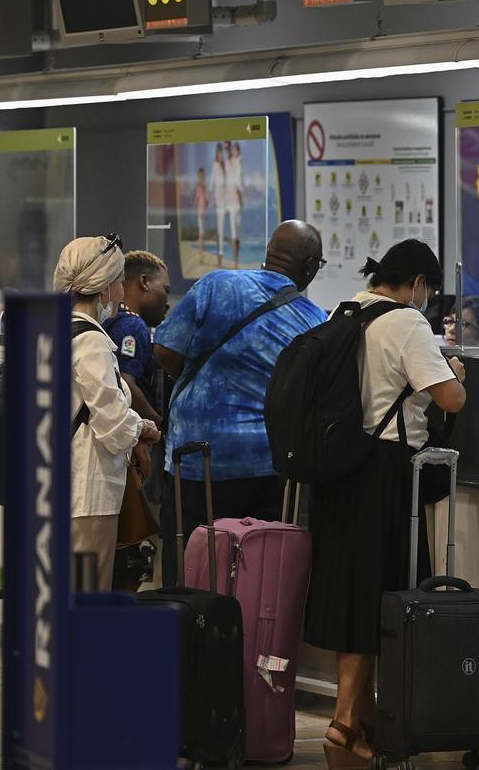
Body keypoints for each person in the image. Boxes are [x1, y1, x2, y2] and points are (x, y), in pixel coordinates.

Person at [304, 239, 467, 768]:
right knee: (379, 593)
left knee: (351, 591)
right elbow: (450, 399)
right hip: (385, 474)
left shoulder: (347, 309)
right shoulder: (408, 323)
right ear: (418, 283)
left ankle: (362, 716)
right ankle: (346, 720)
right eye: (430, 291)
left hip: (340, 469)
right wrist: (457, 375)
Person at [152, 220, 327, 584]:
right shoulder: (312, 320)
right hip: (267, 463)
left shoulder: (216, 285)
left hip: (197, 458)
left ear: (268, 253)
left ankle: (188, 636)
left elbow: (165, 350)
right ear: (310, 267)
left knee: (188, 564)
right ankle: (248, 639)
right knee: (255, 572)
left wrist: (199, 386)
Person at [53, 235, 161, 590]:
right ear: (102, 289)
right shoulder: (92, 342)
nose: (119, 291)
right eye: (116, 282)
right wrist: (143, 427)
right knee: (87, 593)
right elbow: (113, 424)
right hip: (88, 492)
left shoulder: (53, 334)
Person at [104, 250, 171, 426]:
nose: (168, 302)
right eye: (166, 290)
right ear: (144, 282)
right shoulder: (134, 326)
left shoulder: (110, 320)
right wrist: (160, 425)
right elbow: (125, 383)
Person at [227, 141, 245, 267]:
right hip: (233, 200)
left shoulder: (239, 162)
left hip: (237, 200)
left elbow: (239, 183)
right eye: (234, 149)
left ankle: (236, 259)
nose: (235, 151)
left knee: (237, 231)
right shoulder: (233, 162)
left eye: (236, 149)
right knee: (234, 231)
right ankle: (235, 259)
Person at [194, 167, 209, 261]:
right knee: (201, 234)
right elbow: (196, 200)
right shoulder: (200, 186)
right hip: (201, 212)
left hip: (203, 212)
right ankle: (201, 256)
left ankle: (201, 255)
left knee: (202, 234)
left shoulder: (203, 186)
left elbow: (203, 200)